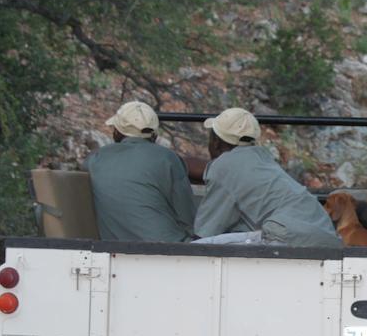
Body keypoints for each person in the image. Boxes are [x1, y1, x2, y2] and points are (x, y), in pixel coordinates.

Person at [194, 108, 341, 247]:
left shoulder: (223, 167)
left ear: (216, 142)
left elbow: (205, 232)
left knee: (196, 247)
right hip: (324, 233)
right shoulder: (262, 156)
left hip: (287, 234)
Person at [86, 100, 196, 242]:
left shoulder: (95, 159)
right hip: (169, 248)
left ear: (117, 132)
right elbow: (187, 217)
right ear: (154, 135)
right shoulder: (167, 158)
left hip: (114, 247)